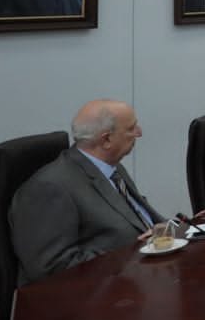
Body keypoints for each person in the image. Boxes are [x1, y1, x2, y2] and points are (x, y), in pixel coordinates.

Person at [9, 100, 161, 284]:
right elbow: (51, 268)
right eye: (131, 129)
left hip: (140, 275)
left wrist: (173, 230)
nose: (139, 133)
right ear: (106, 140)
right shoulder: (49, 188)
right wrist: (130, 255)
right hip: (99, 292)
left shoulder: (112, 168)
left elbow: (139, 219)